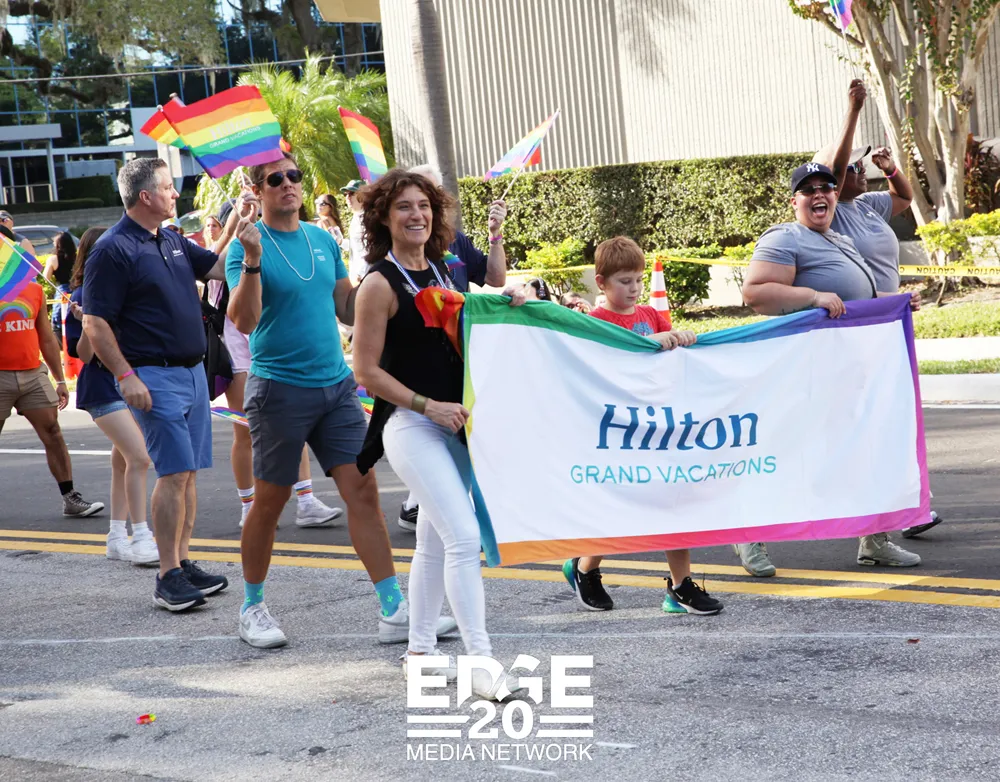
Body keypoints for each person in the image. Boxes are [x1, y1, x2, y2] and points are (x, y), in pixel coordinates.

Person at [226, 153, 457, 649]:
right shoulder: (247, 244)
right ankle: (252, 606)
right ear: (258, 190)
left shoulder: (321, 240)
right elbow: (244, 321)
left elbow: (349, 308)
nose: (288, 184)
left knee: (364, 492)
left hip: (335, 388)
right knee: (270, 503)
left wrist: (387, 280)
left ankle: (393, 608)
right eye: (275, 179)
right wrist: (251, 260)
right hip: (278, 390)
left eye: (293, 176)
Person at [353, 169, 524, 699]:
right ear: (384, 217)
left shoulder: (444, 272)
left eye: (424, 205)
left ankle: (421, 653)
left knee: (431, 542)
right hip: (410, 425)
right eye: (404, 206)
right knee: (464, 538)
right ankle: (481, 662)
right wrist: (427, 406)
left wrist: (509, 302)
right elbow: (365, 371)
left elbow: (467, 328)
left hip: (455, 427)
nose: (417, 215)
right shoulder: (378, 284)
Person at [84, 157, 255, 612]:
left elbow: (216, 268)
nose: (175, 193)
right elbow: (96, 323)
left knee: (189, 472)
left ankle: (180, 562)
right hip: (153, 375)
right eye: (167, 187)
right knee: (174, 472)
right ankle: (166, 577)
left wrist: (240, 221)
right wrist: (126, 377)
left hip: (193, 371)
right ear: (145, 196)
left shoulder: (171, 239)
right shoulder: (113, 249)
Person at [740, 161, 922, 573]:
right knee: (792, 454)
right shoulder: (785, 237)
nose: (819, 194)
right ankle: (749, 533)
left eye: (826, 187)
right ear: (794, 201)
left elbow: (855, 299)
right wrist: (812, 296)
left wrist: (896, 301)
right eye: (809, 190)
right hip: (809, 370)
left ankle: (874, 539)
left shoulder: (839, 238)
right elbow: (755, 293)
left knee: (867, 447)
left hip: (852, 366)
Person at [559, 236, 723, 615]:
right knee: (622, 506)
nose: (633, 288)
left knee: (673, 498)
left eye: (638, 279)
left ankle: (680, 586)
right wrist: (652, 344)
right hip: (619, 430)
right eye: (624, 281)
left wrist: (682, 341)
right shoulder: (595, 322)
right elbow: (602, 363)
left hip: (658, 425)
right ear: (601, 283)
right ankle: (585, 567)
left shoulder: (651, 315)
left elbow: (671, 358)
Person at [819, 82, 942, 543]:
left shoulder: (867, 205)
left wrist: (891, 170)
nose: (861, 171)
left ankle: (901, 509)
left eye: (863, 166)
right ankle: (878, 511)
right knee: (866, 420)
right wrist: (852, 110)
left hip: (889, 323)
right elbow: (833, 170)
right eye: (856, 167)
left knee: (892, 416)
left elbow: (905, 199)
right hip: (858, 328)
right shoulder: (832, 209)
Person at [210, 201, 345, 530]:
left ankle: (306, 501)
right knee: (245, 430)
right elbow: (213, 266)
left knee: (295, 426)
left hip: (280, 347)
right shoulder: (233, 253)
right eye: (245, 217)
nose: (254, 220)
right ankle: (249, 504)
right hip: (238, 346)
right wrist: (236, 234)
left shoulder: (283, 243)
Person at [397, 164, 508, 533]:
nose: (423, 209)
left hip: (460, 364)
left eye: (430, 197)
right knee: (460, 533)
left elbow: (494, 279)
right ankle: (419, 502)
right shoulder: (393, 264)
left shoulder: (455, 240)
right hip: (421, 384)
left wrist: (495, 235)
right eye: (412, 202)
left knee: (444, 523)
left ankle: (425, 505)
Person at [65, 227, 157, 565]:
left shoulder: (125, 290)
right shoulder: (81, 295)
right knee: (140, 457)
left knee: (123, 461)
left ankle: (117, 537)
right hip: (102, 388)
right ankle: (141, 536)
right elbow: (85, 355)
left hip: (130, 383)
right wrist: (87, 322)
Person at [0, 224, 104, 518]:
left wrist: (59, 379)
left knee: (53, 432)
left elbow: (46, 338)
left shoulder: (33, 290)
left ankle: (71, 498)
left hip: (32, 374)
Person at [42, 232, 75, 343]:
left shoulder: (53, 259)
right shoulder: (77, 257)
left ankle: (62, 344)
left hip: (62, 291)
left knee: (58, 320)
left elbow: (46, 277)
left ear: (58, 245)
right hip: (77, 289)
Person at [341, 180, 369, 284]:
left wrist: (361, 274)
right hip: (357, 275)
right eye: (346, 194)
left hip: (365, 276)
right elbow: (355, 245)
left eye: (352, 193)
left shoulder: (369, 219)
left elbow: (371, 250)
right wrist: (341, 242)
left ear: (364, 196)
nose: (347, 197)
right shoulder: (356, 216)